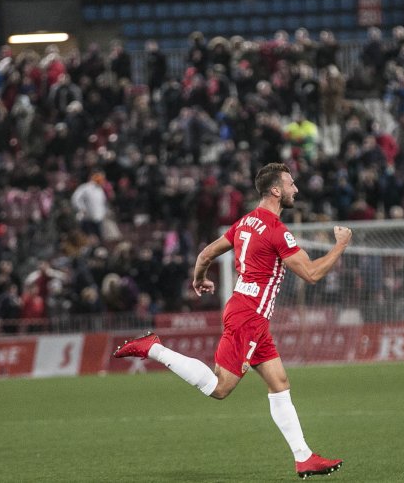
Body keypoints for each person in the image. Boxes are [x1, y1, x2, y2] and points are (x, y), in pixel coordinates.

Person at [112, 163, 351, 479]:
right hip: (249, 318)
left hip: (248, 313)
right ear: (276, 190)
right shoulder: (279, 232)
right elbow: (311, 274)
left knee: (279, 383)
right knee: (219, 387)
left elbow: (204, 255)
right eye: (291, 184)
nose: (296, 189)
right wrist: (341, 245)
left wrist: (200, 279)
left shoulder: (244, 223)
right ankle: (154, 349)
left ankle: (304, 457)